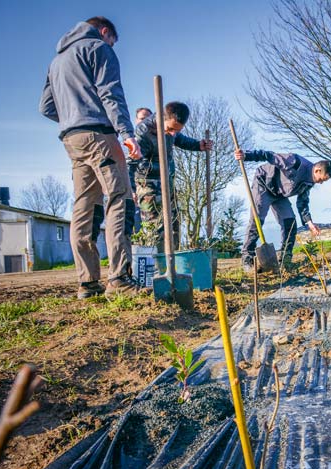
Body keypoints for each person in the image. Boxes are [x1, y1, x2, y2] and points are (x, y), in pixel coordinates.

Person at [40, 16, 141, 299]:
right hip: (99, 134)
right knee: (120, 196)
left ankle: (88, 283)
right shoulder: (98, 48)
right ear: (105, 31)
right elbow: (111, 92)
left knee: (84, 205)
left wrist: (72, 115)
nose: (112, 46)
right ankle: (119, 277)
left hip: (71, 139)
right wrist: (126, 133)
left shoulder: (56, 61)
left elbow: (46, 106)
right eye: (113, 41)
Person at [233, 148, 331, 271]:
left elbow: (302, 203)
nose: (321, 183)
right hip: (264, 183)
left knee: (290, 223)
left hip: (279, 195)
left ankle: (285, 259)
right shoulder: (295, 162)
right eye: (322, 179)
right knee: (257, 219)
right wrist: (247, 156)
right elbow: (268, 154)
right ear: (317, 170)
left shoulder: (310, 183)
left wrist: (309, 222)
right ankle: (247, 258)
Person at [134, 102, 212, 252]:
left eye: (176, 131)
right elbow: (133, 163)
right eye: (169, 129)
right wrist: (132, 188)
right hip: (148, 183)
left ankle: (174, 261)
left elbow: (180, 139)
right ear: (162, 118)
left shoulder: (171, 129)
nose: (172, 133)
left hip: (167, 180)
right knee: (154, 227)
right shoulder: (142, 132)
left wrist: (198, 145)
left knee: (174, 222)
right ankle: (157, 267)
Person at [128, 107, 152, 233]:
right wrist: (132, 190)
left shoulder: (156, 138)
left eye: (148, 119)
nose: (145, 122)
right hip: (139, 191)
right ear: (136, 121)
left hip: (156, 189)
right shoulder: (134, 141)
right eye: (142, 119)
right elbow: (129, 167)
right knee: (140, 227)